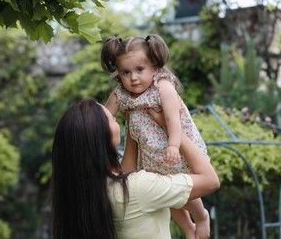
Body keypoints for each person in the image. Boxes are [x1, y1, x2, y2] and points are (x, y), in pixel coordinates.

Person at [50, 98, 220, 239]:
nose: (116, 119)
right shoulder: (139, 188)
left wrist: (135, 119)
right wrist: (171, 129)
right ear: (103, 136)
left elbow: (126, 172)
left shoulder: (84, 191)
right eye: (113, 119)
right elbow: (210, 181)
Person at [101, 34, 212, 239]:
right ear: (119, 74)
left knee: (183, 190)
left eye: (139, 70)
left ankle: (202, 216)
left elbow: (173, 121)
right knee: (168, 197)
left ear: (154, 67)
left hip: (174, 149)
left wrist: (173, 145)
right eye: (126, 72)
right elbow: (104, 117)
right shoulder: (122, 93)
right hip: (151, 158)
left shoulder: (162, 87)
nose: (133, 77)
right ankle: (188, 227)